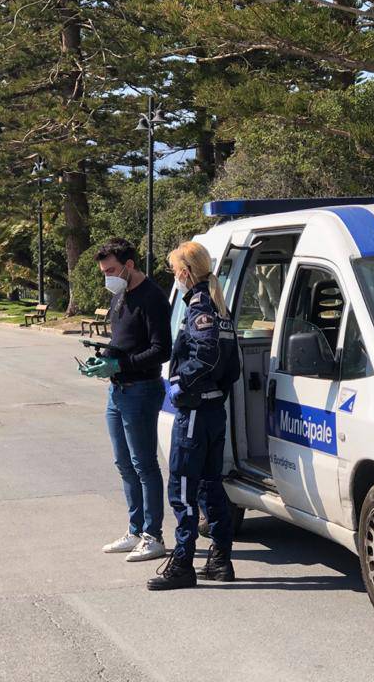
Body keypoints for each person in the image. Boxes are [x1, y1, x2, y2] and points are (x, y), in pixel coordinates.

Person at [148, 241, 240, 591]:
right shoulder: (218, 305)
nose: (175, 278)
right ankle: (220, 560)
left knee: (183, 488)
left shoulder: (200, 306)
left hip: (197, 412)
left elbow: (208, 356)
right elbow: (231, 366)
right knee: (209, 485)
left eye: (175, 272)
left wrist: (183, 386)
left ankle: (183, 562)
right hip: (213, 410)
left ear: (185, 273)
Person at [82, 238, 172, 563]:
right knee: (123, 463)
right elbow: (122, 341)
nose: (107, 277)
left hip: (142, 390)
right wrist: (103, 358)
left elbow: (162, 350)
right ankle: (134, 530)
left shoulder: (153, 298)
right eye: (104, 271)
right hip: (117, 391)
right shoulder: (120, 295)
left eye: (111, 270)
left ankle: (153, 535)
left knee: (144, 464)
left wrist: (120, 364)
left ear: (129, 265)